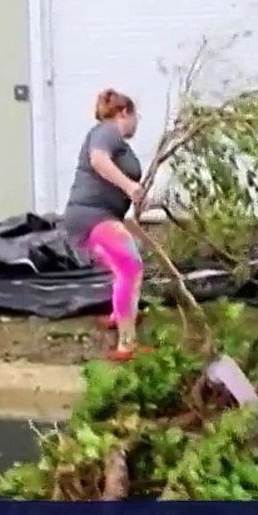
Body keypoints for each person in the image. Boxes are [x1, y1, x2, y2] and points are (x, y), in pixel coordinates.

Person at [63, 89, 148, 361]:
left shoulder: (114, 139)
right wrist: (130, 187)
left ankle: (119, 315)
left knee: (124, 266)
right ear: (124, 113)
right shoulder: (108, 131)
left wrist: (133, 194)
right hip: (93, 215)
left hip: (96, 216)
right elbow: (98, 160)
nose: (137, 123)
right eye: (136, 116)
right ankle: (127, 345)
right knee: (130, 267)